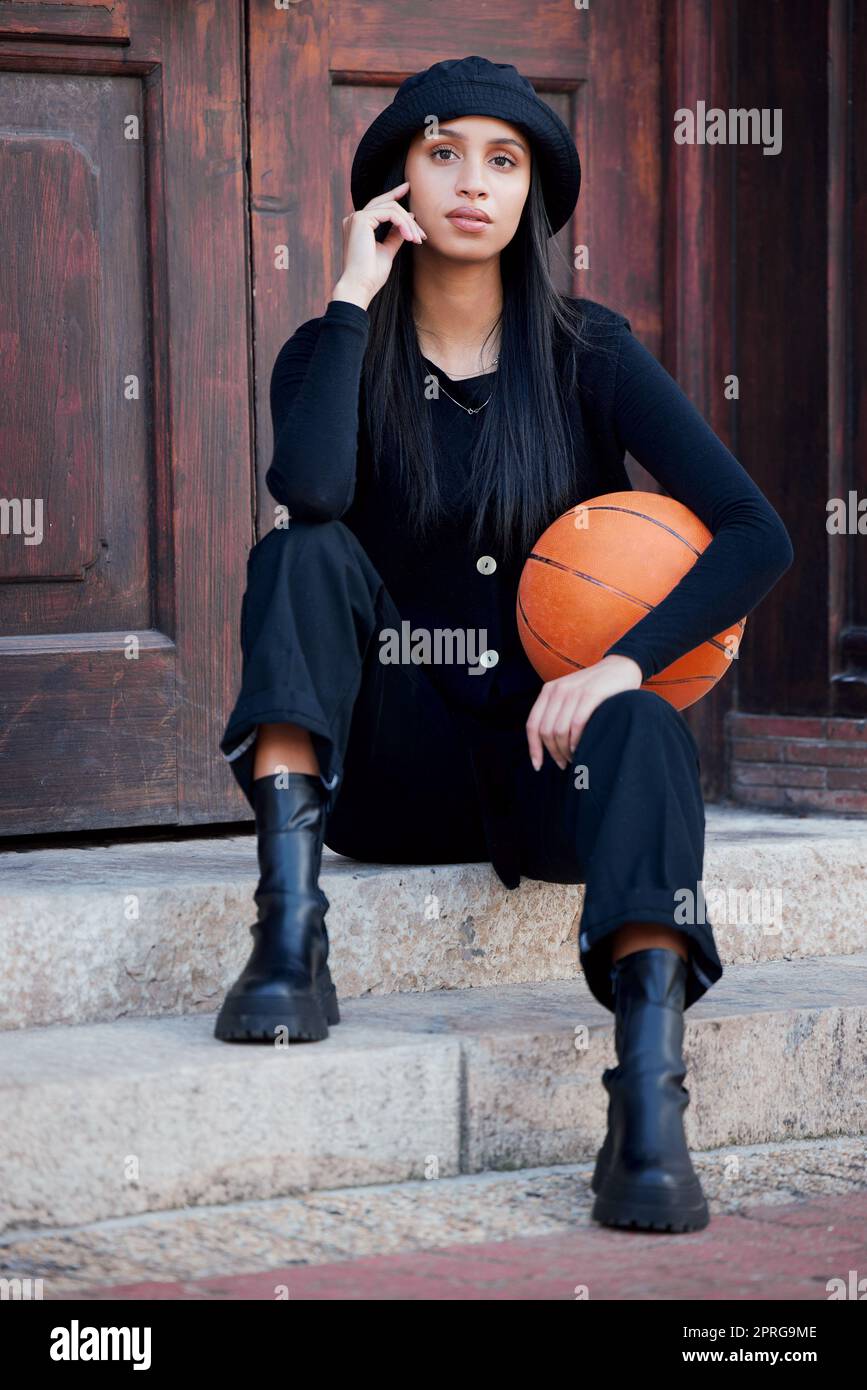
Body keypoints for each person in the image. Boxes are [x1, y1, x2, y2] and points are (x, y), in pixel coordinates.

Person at [214, 56, 794, 1233]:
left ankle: (646, 1110)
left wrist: (621, 662)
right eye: (441, 155)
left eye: (504, 158)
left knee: (642, 722)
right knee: (296, 551)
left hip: (549, 766)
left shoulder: (591, 355)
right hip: (393, 768)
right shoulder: (329, 353)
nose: (472, 183)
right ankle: (287, 939)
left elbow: (757, 533)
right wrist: (348, 293)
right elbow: (314, 488)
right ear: (394, 186)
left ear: (532, 192)